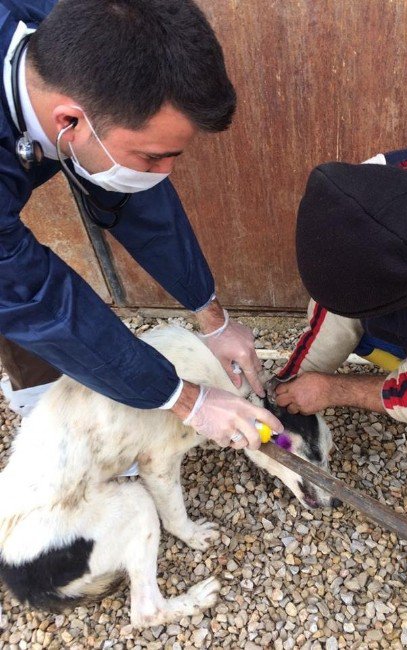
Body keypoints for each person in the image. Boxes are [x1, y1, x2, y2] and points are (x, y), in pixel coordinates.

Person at [0, 0, 282, 451]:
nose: (166, 173)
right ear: (68, 119)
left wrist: (213, 318)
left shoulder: (81, 32)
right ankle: (49, 419)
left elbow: (138, 203)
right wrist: (186, 400)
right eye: (153, 156)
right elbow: (35, 300)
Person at [275, 148, 407, 638]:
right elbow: (335, 310)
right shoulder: (363, 192)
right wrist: (285, 383)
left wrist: (330, 389)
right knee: (377, 333)